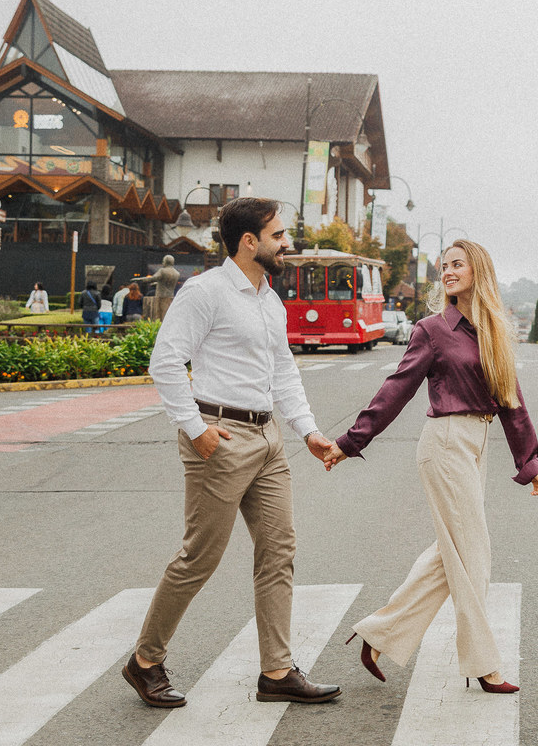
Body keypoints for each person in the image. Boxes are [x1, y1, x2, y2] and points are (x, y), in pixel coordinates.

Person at [122, 197, 341, 709]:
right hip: (219, 437)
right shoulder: (205, 292)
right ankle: (145, 661)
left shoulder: (269, 298)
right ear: (250, 242)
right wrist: (196, 430)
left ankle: (277, 671)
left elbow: (283, 371)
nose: (287, 243)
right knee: (200, 557)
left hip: (268, 440)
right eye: (279, 235)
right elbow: (166, 363)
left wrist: (307, 431)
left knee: (278, 552)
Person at [322, 239, 538, 695]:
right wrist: (350, 441)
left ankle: (378, 633)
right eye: (444, 266)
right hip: (445, 443)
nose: (447, 271)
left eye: (457, 265)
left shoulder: (494, 331)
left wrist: (530, 460)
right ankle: (485, 665)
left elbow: (512, 401)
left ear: (476, 271)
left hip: (476, 444)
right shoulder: (431, 329)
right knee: (474, 555)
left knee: (452, 553)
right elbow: (397, 389)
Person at [139, 255, 181, 320]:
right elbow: (166, 282)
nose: (162, 263)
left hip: (160, 295)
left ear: (166, 262)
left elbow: (153, 278)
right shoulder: (177, 273)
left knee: (158, 315)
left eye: (163, 261)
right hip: (170, 295)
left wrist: (142, 279)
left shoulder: (162, 271)